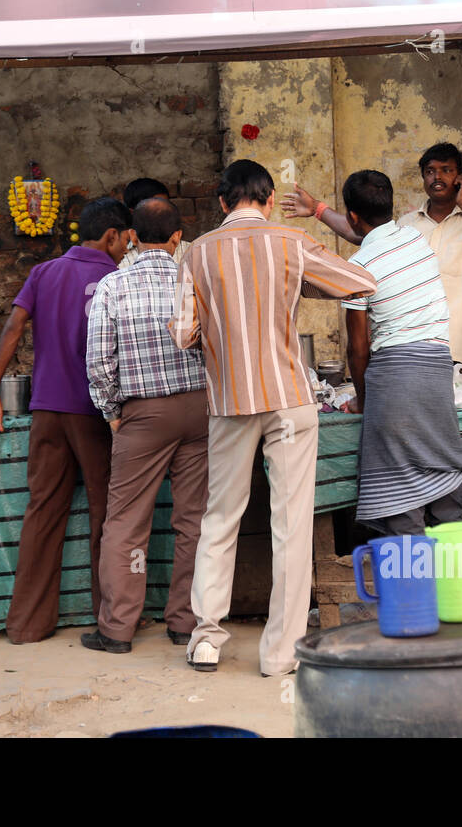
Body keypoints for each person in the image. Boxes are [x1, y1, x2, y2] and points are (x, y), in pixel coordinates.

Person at [169, 159, 376, 676]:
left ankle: (206, 639)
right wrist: (299, 286)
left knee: (220, 518)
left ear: (222, 202)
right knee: (290, 525)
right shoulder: (290, 242)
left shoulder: (194, 253)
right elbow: (360, 283)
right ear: (267, 198)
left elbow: (182, 335)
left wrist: (218, 328)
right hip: (289, 397)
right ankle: (280, 654)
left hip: (229, 403)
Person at [0, 197, 132, 644]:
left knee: (43, 512)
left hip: (47, 410)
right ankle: (111, 620)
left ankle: (27, 625)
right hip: (96, 414)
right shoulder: (113, 277)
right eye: (125, 239)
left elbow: (13, 327)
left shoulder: (42, 273)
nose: (127, 247)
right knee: (108, 514)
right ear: (111, 236)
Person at [82, 197, 208, 654]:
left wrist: (111, 412)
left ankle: (117, 629)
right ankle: (185, 622)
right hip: (200, 412)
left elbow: (98, 362)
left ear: (131, 236)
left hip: (142, 415)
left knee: (126, 525)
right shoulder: (195, 282)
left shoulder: (112, 286)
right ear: (178, 238)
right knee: (194, 521)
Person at [284, 142, 462, 369]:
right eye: (430, 171)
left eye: (447, 170)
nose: (437, 177)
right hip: (416, 355)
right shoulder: (408, 226)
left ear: (461, 178)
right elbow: (363, 235)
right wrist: (317, 208)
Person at [339, 170, 462, 535]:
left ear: (352, 216)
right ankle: (455, 584)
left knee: (398, 485)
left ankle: (412, 589)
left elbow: (358, 348)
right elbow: (364, 236)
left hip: (394, 377)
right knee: (440, 462)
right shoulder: (414, 237)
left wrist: (363, 399)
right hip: (438, 368)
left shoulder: (359, 267)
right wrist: (318, 211)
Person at [118, 178, 191, 269]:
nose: (161, 214)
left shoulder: (191, 251)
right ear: (132, 213)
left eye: (165, 208)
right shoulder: (119, 258)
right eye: (152, 210)